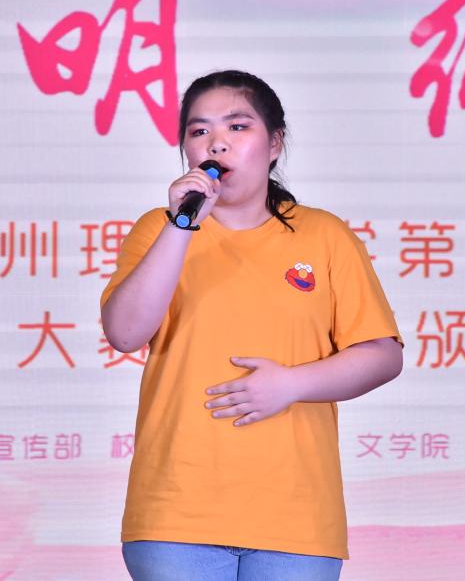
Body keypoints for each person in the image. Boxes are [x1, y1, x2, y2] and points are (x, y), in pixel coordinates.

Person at [101, 69, 403, 581]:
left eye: (237, 127)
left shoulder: (324, 236)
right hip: (176, 513)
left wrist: (291, 384)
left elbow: (383, 354)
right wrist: (182, 225)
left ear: (275, 143)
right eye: (199, 131)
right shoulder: (160, 229)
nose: (216, 143)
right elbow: (125, 333)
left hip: (295, 516)